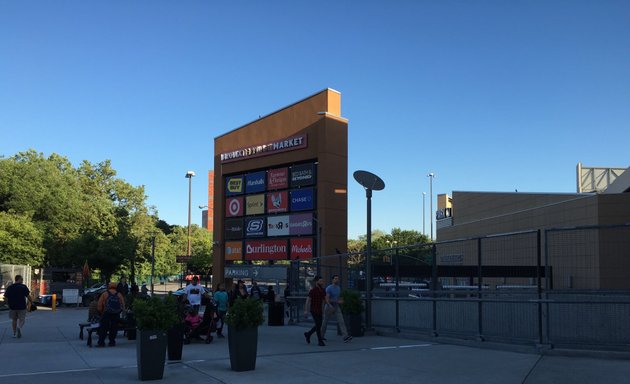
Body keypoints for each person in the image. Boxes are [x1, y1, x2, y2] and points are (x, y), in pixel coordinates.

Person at [320, 275, 352, 343]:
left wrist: (341, 300)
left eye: (337, 279)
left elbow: (337, 298)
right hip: (329, 306)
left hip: (336, 306)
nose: (336, 280)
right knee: (325, 322)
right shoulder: (329, 288)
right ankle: (321, 336)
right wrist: (334, 303)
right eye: (335, 279)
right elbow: (327, 299)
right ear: (332, 280)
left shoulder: (338, 288)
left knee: (341, 321)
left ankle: (345, 336)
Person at [97, 282, 126, 347]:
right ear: (116, 287)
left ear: (109, 287)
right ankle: (112, 342)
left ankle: (101, 342)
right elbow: (123, 305)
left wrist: (101, 312)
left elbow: (99, 305)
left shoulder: (105, 294)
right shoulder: (119, 294)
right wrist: (121, 312)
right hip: (116, 313)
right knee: (114, 328)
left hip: (106, 313)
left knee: (103, 328)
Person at [303, 275, 326, 346]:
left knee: (319, 325)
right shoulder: (313, 290)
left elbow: (323, 301)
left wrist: (323, 310)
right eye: (320, 281)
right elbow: (308, 300)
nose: (322, 282)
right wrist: (306, 310)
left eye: (322, 281)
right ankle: (320, 341)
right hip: (313, 310)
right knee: (318, 325)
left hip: (320, 310)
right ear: (316, 282)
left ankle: (308, 334)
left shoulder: (322, 290)